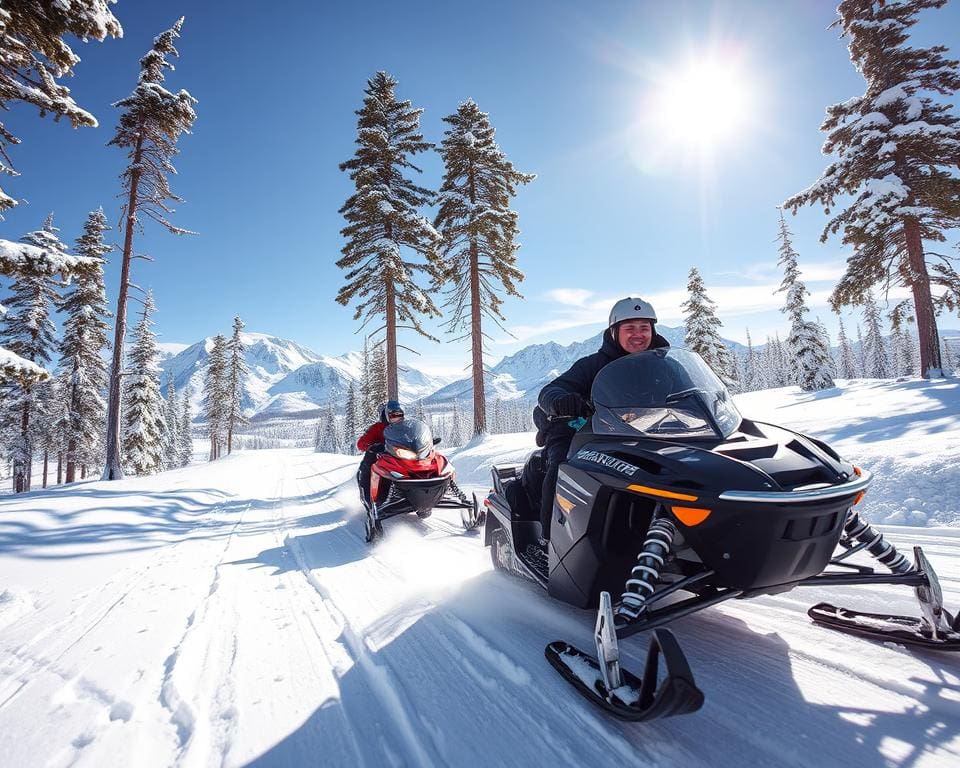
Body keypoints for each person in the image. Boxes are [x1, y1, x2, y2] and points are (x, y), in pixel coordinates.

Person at [532, 298, 669, 542]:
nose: (638, 335)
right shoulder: (591, 365)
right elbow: (550, 391)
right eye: (630, 328)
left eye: (644, 328)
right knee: (562, 465)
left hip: (649, 434)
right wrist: (562, 401)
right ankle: (551, 538)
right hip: (588, 433)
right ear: (614, 332)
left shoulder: (666, 365)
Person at [356, 400, 404, 505]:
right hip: (381, 457)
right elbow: (361, 443)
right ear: (386, 416)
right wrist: (372, 446)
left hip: (401, 457)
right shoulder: (377, 428)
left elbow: (414, 437)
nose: (397, 418)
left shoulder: (405, 427)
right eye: (393, 416)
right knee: (371, 463)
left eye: (399, 415)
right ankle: (370, 497)